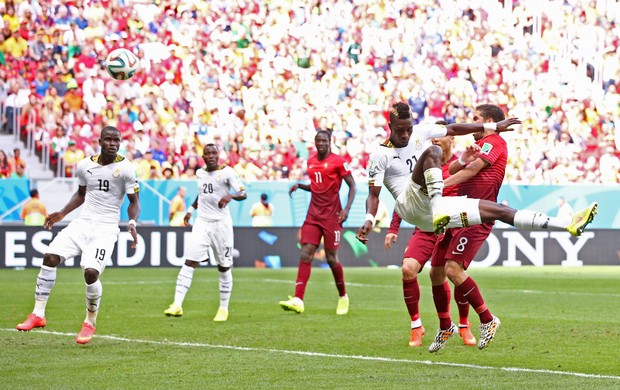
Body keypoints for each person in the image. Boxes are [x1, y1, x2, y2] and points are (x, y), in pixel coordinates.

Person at [356, 102, 598, 345]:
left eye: (409, 129)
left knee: (500, 212)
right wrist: (368, 219)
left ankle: (567, 225)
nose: (406, 135)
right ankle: (439, 324)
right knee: (433, 152)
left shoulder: (422, 132)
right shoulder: (380, 154)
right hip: (412, 206)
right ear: (390, 127)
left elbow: (455, 128)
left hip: (435, 210)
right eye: (401, 130)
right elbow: (374, 195)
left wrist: (492, 127)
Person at [16, 126, 140, 344]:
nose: (113, 144)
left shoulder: (127, 169)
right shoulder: (84, 165)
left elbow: (134, 202)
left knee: (91, 273)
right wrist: (62, 213)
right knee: (50, 257)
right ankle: (38, 314)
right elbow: (81, 194)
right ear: (100, 141)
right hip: (82, 223)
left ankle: (89, 322)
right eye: (109, 140)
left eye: (117, 140)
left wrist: (131, 223)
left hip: (106, 227)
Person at [426, 104, 510, 352]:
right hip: (457, 210)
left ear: (490, 121)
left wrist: (438, 187)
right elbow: (457, 167)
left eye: (476, 119)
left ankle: (487, 319)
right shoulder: (478, 146)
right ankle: (445, 326)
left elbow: (473, 170)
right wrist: (462, 158)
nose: (472, 123)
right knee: (436, 271)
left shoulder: (494, 142)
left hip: (476, 214)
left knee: (453, 269)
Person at [384, 122, 475, 348]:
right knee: (408, 269)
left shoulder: (463, 165)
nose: (434, 140)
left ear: (451, 138)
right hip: (426, 227)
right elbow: (406, 199)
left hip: (453, 226)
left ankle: (463, 325)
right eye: (432, 137)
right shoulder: (422, 165)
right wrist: (393, 228)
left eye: (440, 137)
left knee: (451, 274)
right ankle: (418, 326)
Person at [164, 143, 247, 321]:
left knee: (224, 266)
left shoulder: (227, 172)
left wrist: (230, 196)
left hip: (221, 225)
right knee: (189, 261)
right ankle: (177, 304)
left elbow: (243, 193)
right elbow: (202, 195)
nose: (210, 156)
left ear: (218, 155)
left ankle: (223, 308)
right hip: (202, 222)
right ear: (203, 157)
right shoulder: (200, 174)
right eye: (207, 153)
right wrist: (189, 211)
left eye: (213, 153)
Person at [279, 130, 357, 315]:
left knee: (331, 258)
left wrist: (346, 209)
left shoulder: (338, 161)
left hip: (332, 217)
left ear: (330, 142)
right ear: (315, 143)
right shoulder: (311, 161)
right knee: (306, 254)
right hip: (313, 215)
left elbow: (352, 185)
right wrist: (300, 185)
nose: (321, 143)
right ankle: (298, 299)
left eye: (324, 140)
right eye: (318, 141)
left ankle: (343, 296)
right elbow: (317, 187)